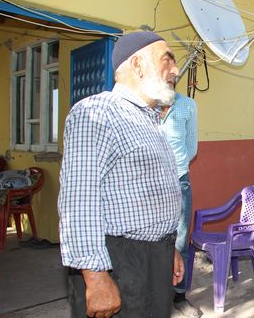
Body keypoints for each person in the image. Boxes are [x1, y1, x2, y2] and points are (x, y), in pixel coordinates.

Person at [59, 31, 185, 318]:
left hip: (154, 257)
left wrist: (168, 248)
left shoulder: (150, 121)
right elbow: (78, 201)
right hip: (118, 262)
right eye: (167, 59)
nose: (175, 69)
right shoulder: (98, 112)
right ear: (138, 65)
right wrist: (95, 276)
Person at [158, 81, 198, 317]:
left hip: (179, 181)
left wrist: (176, 165)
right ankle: (157, 295)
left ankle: (179, 296)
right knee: (151, 241)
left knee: (180, 240)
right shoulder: (144, 106)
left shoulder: (188, 105)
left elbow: (191, 147)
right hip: (149, 184)